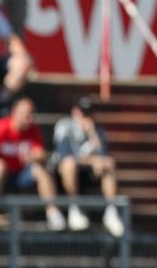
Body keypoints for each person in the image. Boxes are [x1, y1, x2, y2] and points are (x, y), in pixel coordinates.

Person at [0, 97, 65, 230]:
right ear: (15, 112)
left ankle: (52, 211)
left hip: (20, 175)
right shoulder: (0, 128)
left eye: (31, 114)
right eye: (26, 114)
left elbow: (41, 154)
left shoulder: (33, 130)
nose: (29, 118)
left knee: (40, 169)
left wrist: (34, 156)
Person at [51, 97, 125, 237]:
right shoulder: (64, 126)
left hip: (88, 174)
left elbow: (104, 157)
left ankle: (111, 211)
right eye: (83, 113)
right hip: (64, 174)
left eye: (89, 113)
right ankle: (74, 207)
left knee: (108, 165)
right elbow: (65, 155)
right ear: (75, 112)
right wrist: (92, 160)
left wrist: (92, 135)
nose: (86, 117)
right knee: (69, 165)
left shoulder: (97, 130)